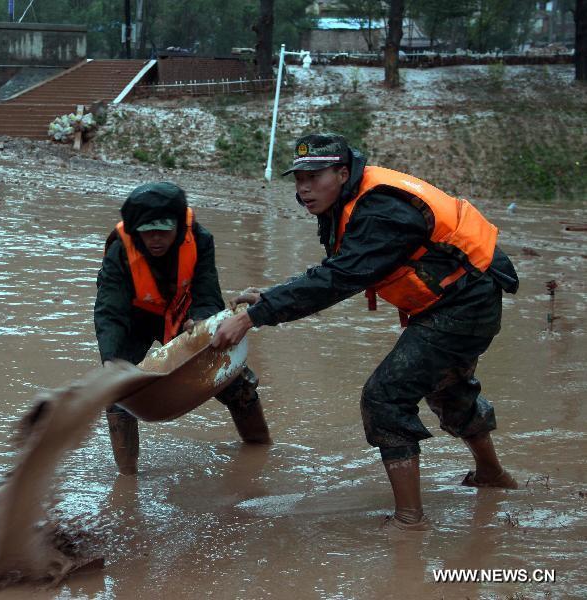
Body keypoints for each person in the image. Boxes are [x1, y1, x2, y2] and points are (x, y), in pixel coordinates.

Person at [212, 133, 519, 529]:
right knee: (448, 386)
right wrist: (272, 297)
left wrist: (254, 316)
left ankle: (410, 519)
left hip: (465, 301)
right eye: (298, 179)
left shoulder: (382, 209)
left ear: (342, 173)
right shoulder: (346, 200)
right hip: (451, 298)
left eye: (314, 176)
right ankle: (492, 476)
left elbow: (341, 278)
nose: (304, 188)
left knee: (385, 397)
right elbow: (337, 269)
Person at [95, 182, 272, 475]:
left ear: (179, 225)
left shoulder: (200, 239)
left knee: (235, 381)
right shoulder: (120, 249)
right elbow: (109, 311)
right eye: (147, 231)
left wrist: (201, 321)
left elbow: (207, 294)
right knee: (117, 390)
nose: (155, 239)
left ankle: (260, 448)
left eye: (164, 231)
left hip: (182, 312)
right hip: (134, 315)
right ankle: (127, 477)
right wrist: (111, 360)